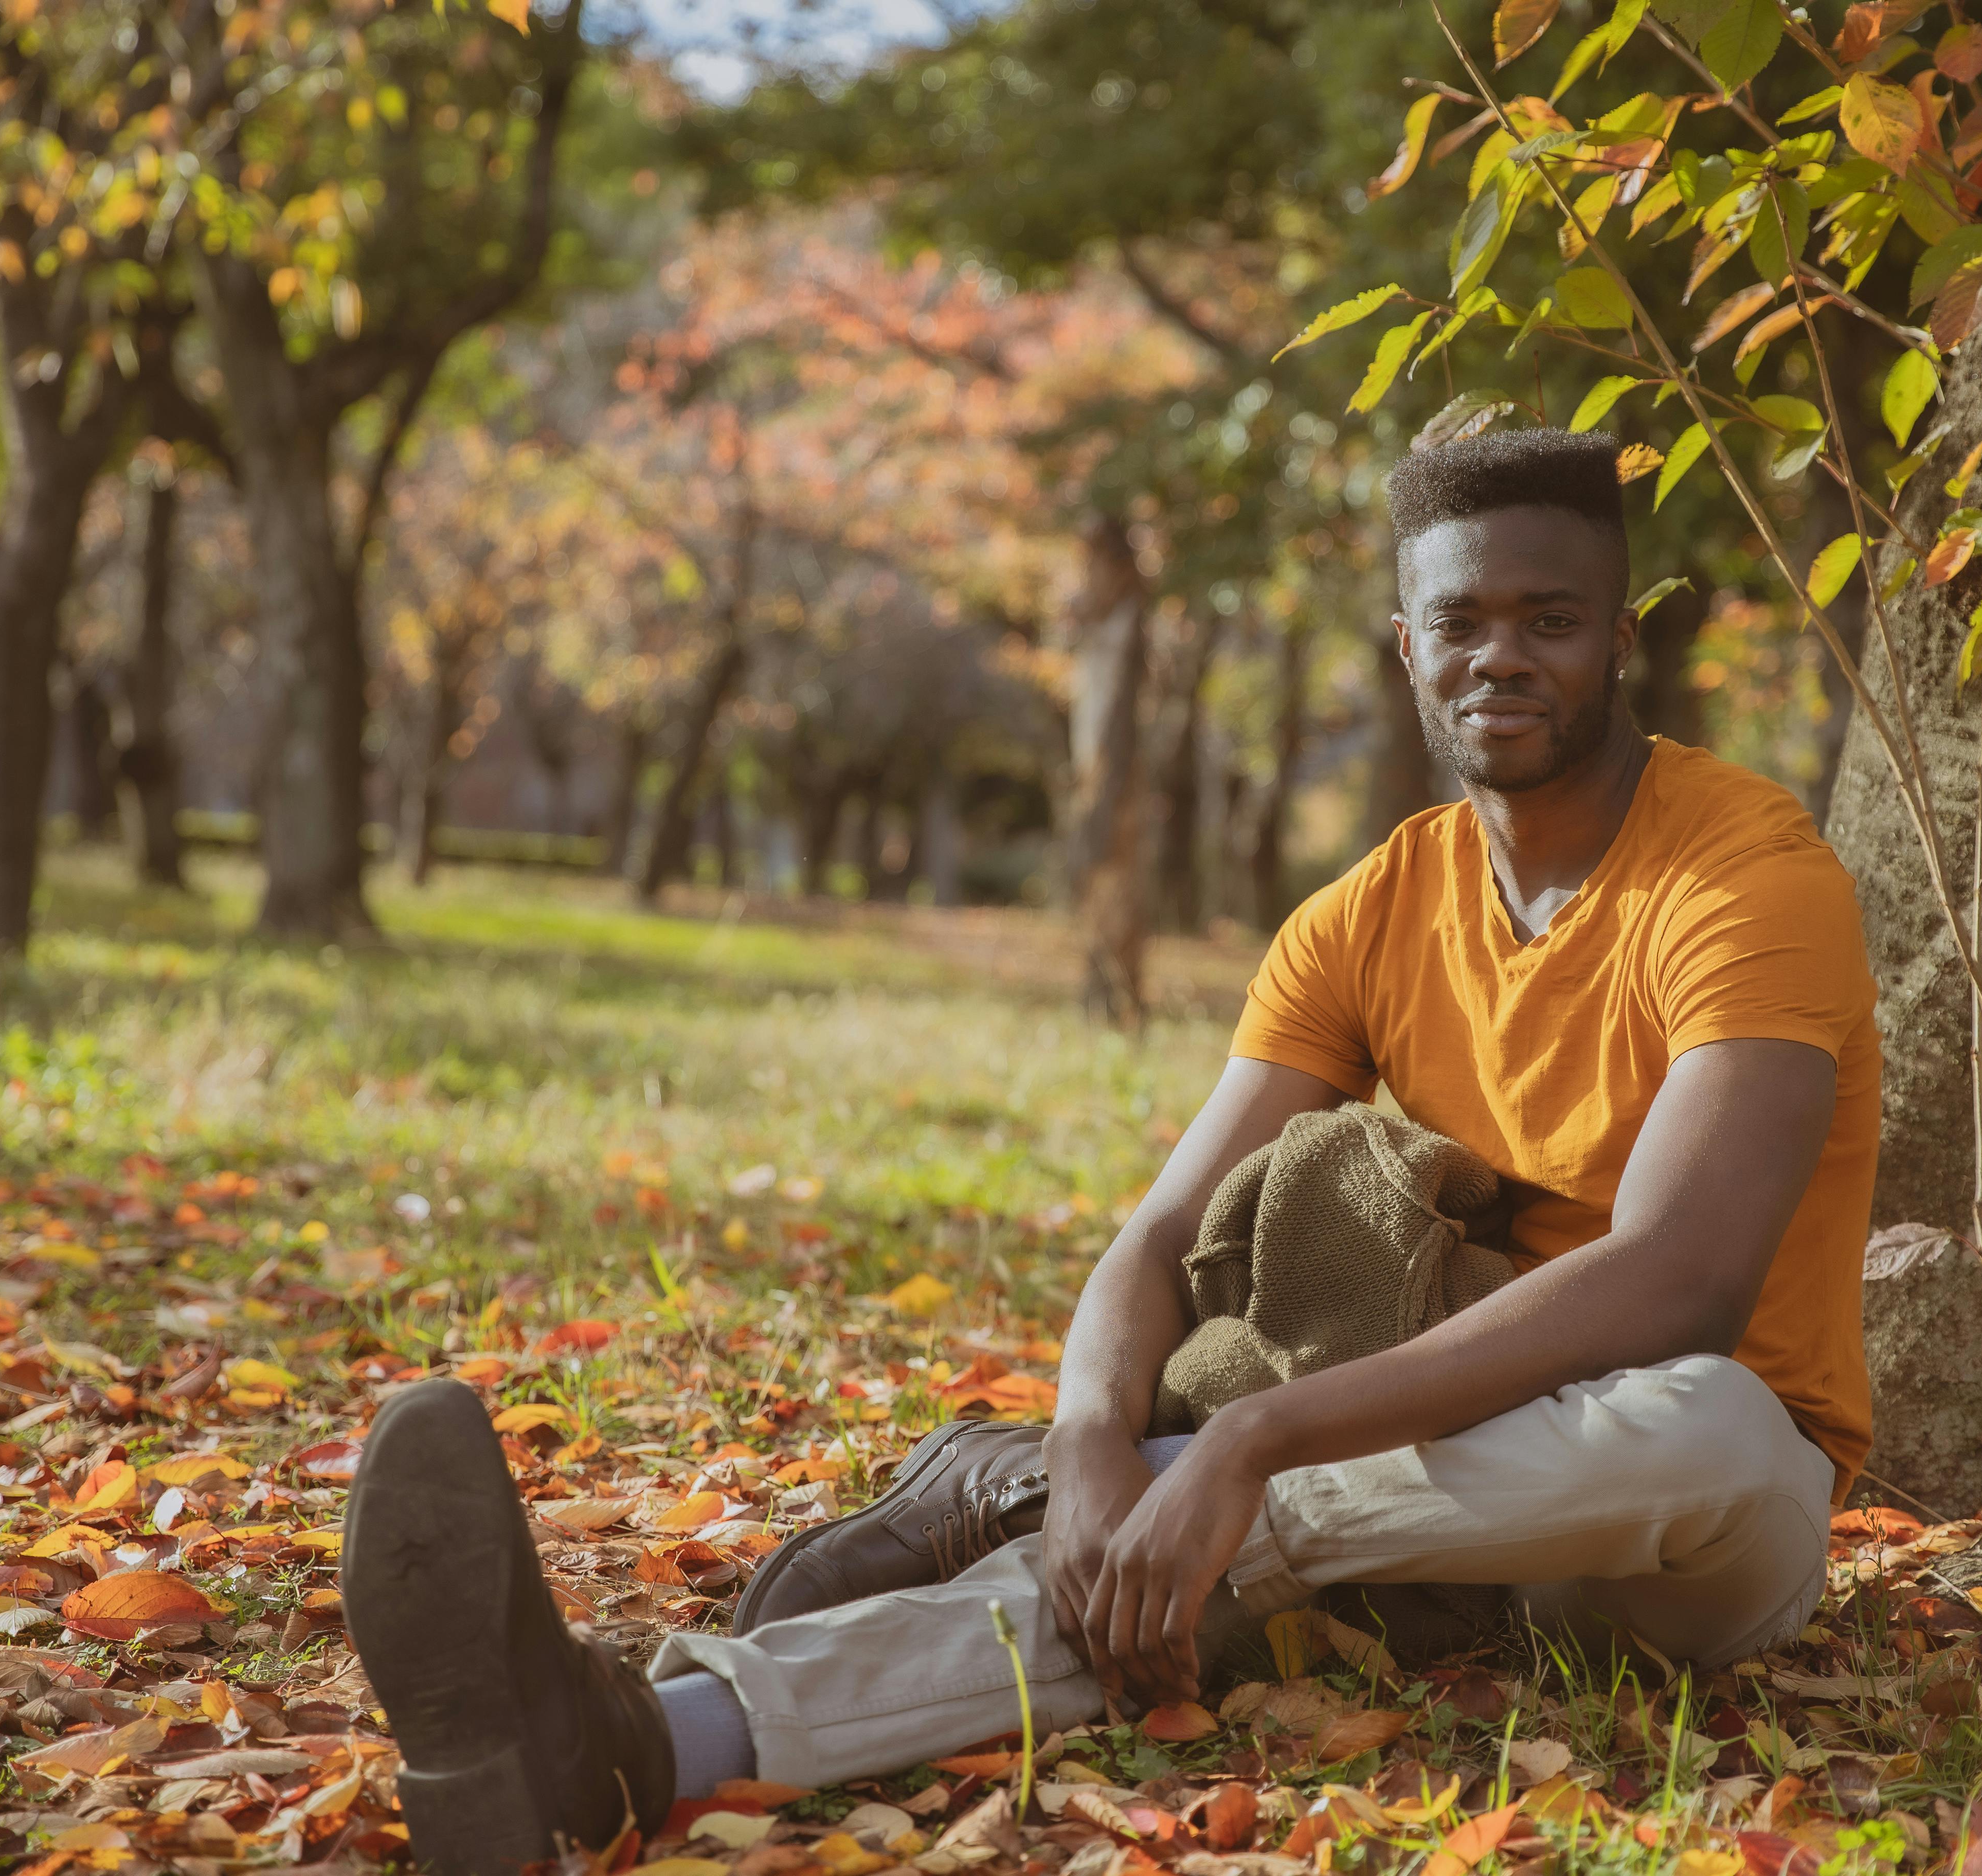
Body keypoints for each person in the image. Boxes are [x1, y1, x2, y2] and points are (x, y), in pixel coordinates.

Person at [340, 427, 1882, 1876]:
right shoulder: (1366, 912)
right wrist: (1090, 1456)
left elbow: (1682, 1279)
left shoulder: (1745, 873)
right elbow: (1158, 1241)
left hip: (1687, 1531)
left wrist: (1232, 1449)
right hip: (1424, 1522)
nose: (1502, 657)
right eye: (1461, 620)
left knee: (1708, 1421)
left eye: (1553, 619)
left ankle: (1074, 1521)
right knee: (1182, 1556)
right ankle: (634, 1746)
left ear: (1624, 641)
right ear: (1405, 648)